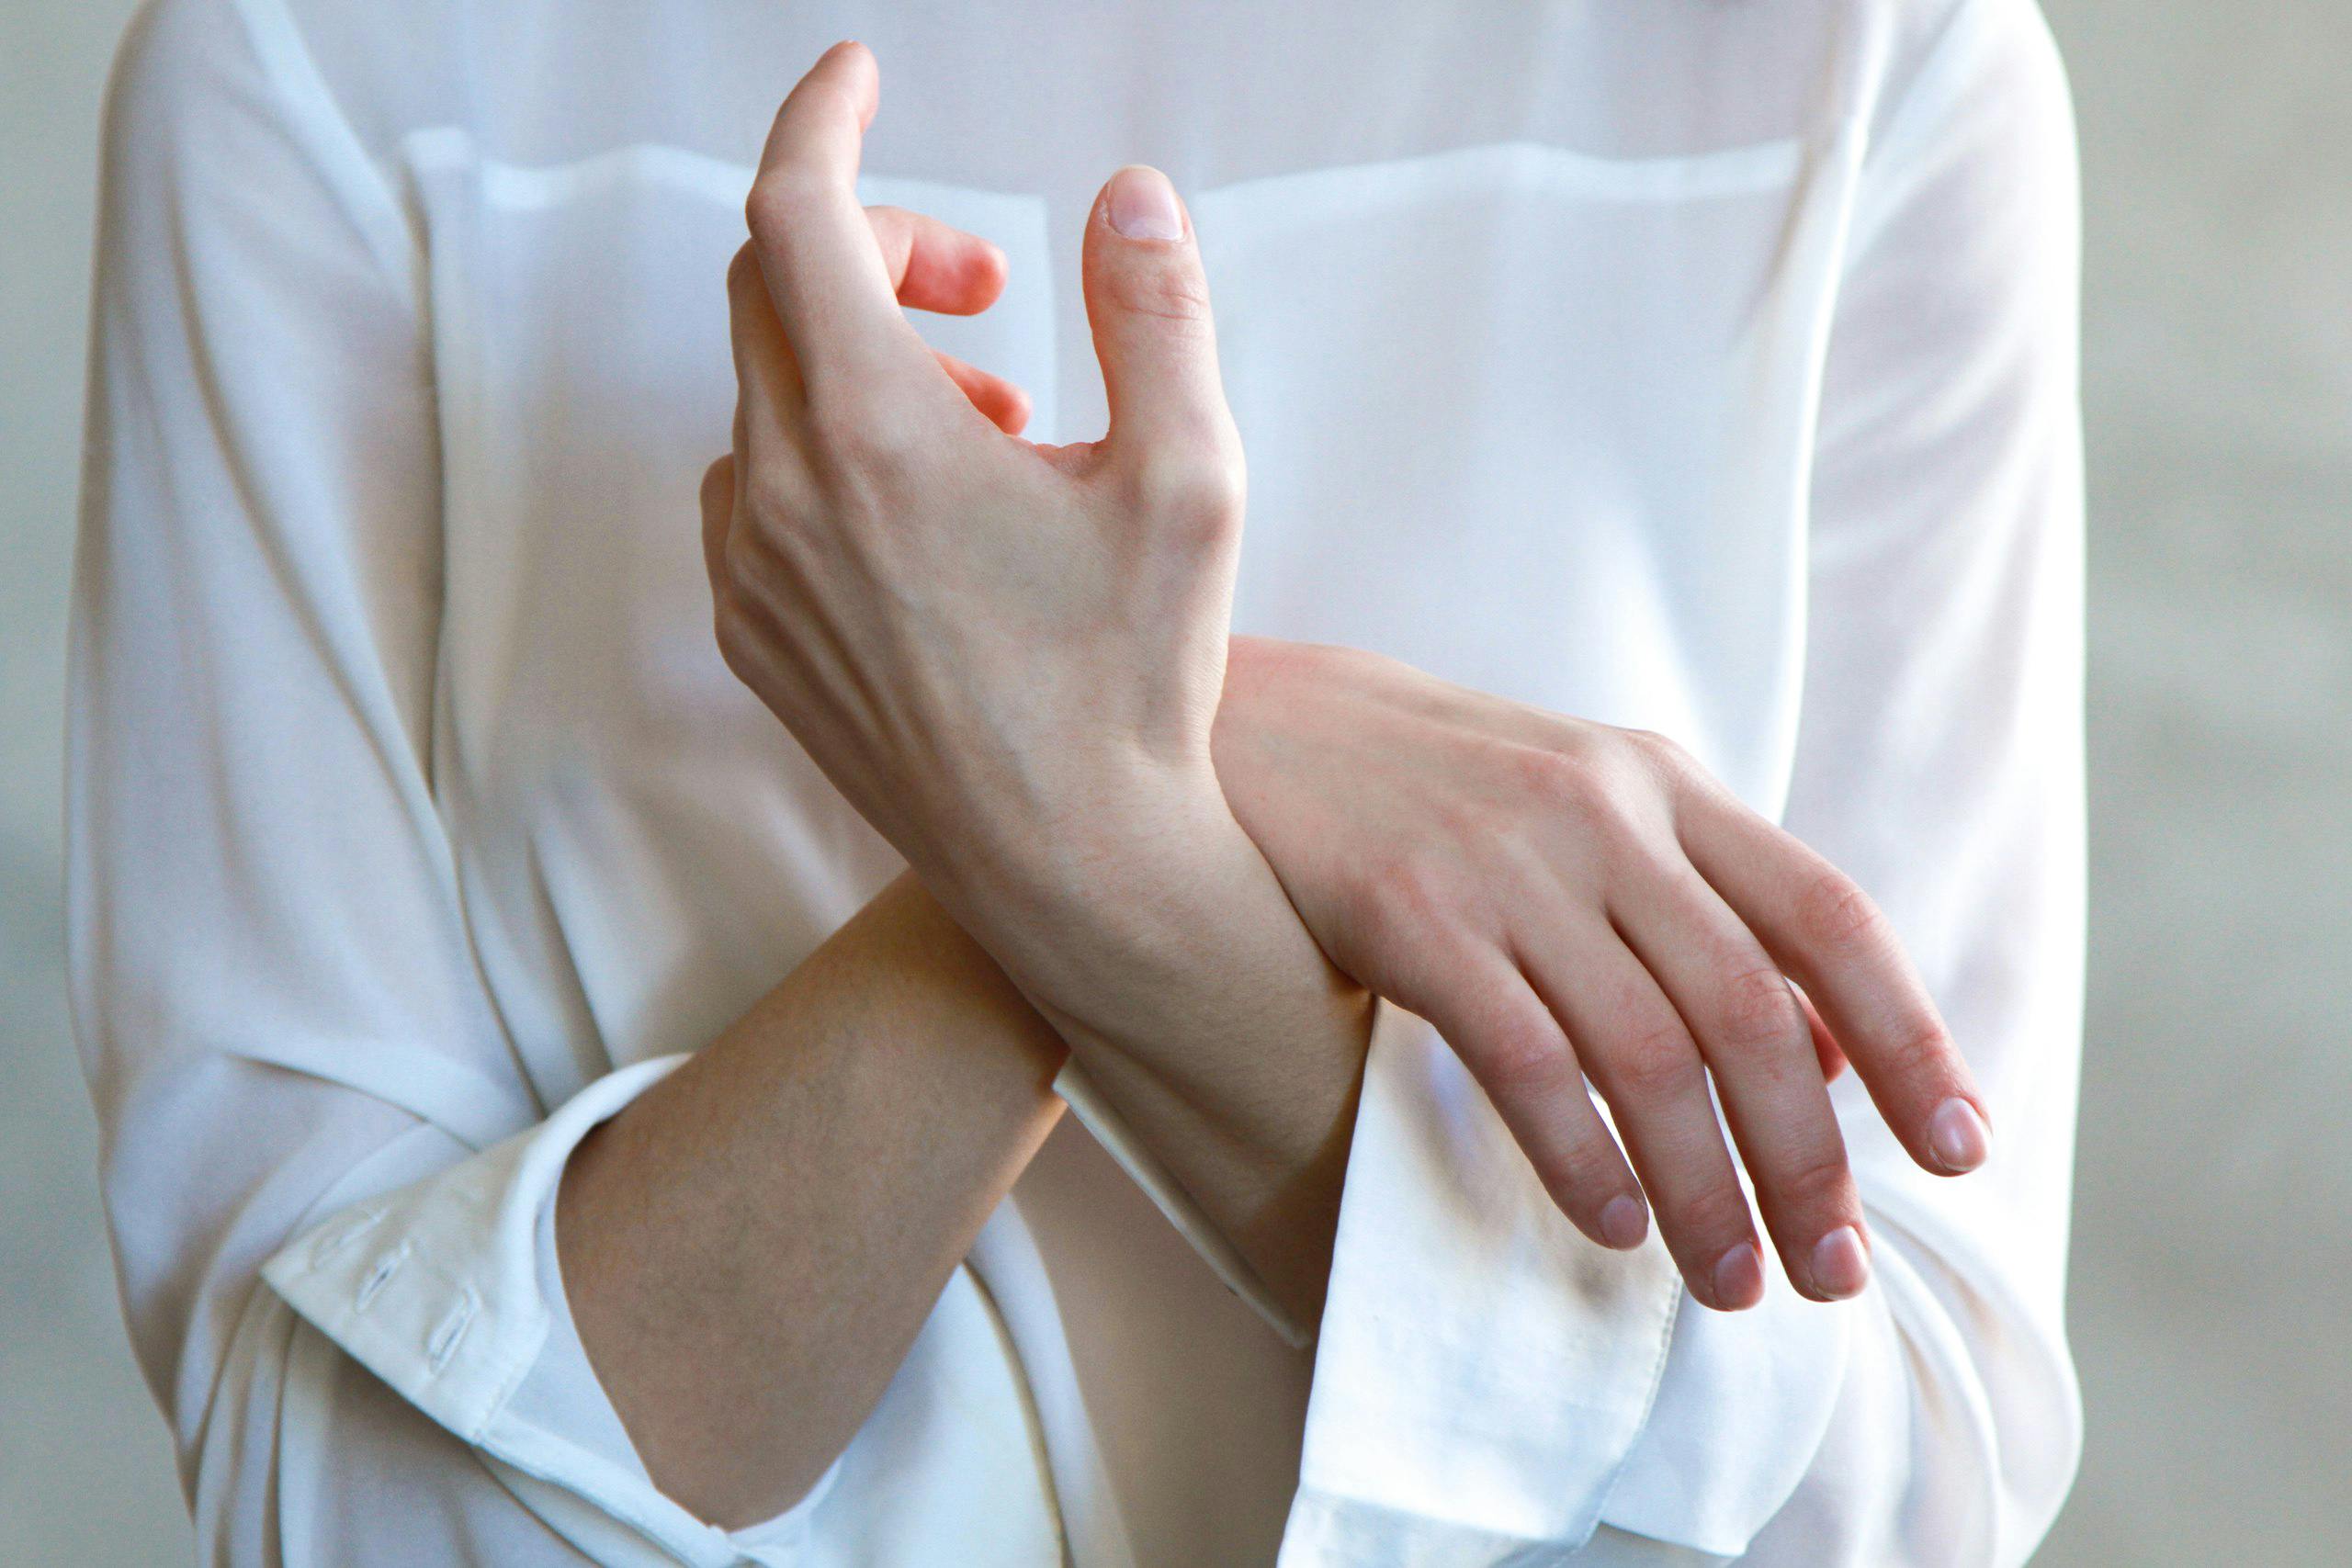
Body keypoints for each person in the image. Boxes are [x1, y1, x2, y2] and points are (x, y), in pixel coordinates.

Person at [67, 0, 2086, 1562]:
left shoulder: (1861, 58)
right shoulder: (316, 64)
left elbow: (1884, 1491)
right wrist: (1103, 806)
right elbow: (341, 1508)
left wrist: (1075, 790)